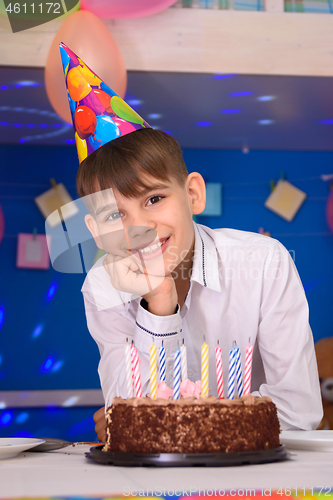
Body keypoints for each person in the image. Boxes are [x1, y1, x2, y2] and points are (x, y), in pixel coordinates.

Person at [77, 128, 323, 442]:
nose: (138, 229)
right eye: (114, 214)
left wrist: (178, 427)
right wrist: (160, 304)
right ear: (96, 231)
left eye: (154, 199)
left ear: (193, 194)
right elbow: (134, 418)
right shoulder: (104, 285)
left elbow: (298, 412)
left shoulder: (263, 262)